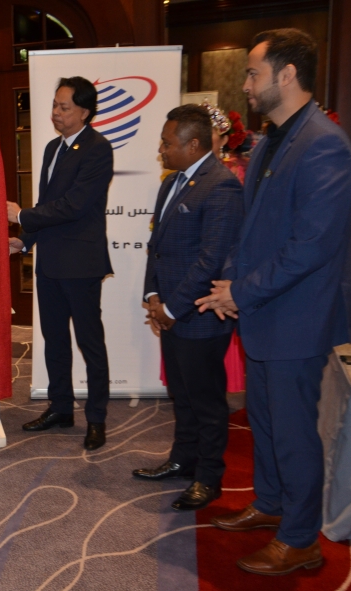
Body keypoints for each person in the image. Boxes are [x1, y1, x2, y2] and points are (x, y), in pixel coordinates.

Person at [196, 29, 351, 575]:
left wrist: (242, 290)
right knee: (264, 423)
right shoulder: (268, 141)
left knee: (292, 433)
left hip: (298, 318)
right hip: (263, 311)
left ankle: (300, 538)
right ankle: (270, 504)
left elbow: (312, 246)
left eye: (253, 73)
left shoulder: (325, 143)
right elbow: (250, 233)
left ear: (287, 75)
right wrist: (230, 282)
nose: (245, 85)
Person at [134, 105, 243, 512]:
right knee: (181, 394)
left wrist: (173, 309)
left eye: (167, 143)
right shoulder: (171, 182)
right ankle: (182, 460)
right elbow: (157, 248)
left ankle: (208, 477)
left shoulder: (222, 185)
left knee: (206, 401)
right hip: (171, 311)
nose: (161, 150)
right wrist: (152, 296)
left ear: (193, 144)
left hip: (199, 317)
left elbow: (211, 260)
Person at [6, 76, 113, 451]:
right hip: (50, 261)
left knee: (90, 344)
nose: (55, 112)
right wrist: (25, 240)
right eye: (54, 105)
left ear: (84, 111)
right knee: (54, 341)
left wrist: (22, 215)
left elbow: (75, 206)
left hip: (81, 264)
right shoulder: (53, 148)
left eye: (64, 107)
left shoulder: (98, 148)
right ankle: (61, 407)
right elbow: (49, 204)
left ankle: (96, 419)